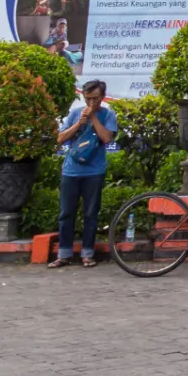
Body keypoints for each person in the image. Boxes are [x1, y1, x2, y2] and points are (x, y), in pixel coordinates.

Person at [49, 79, 117, 267]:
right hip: (71, 171)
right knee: (66, 213)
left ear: (102, 97)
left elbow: (106, 138)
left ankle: (87, 254)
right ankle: (64, 254)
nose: (91, 102)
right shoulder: (75, 114)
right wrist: (78, 124)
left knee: (90, 213)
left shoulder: (108, 115)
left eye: (95, 99)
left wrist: (93, 118)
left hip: (94, 171)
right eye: (87, 99)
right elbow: (60, 139)